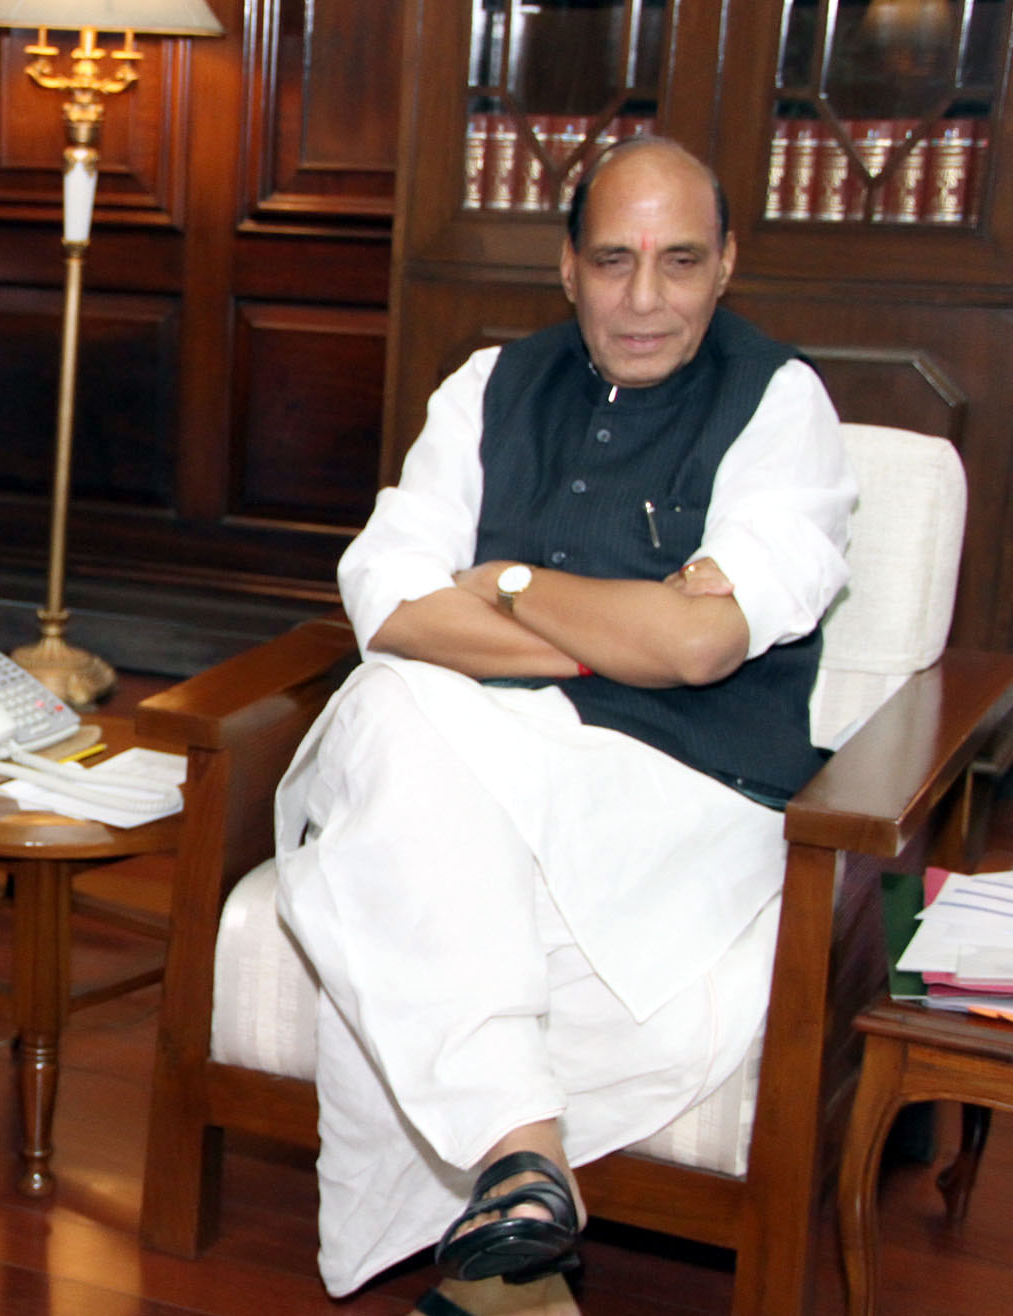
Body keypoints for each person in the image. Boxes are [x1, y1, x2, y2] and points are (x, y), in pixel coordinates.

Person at [269, 138, 855, 1316]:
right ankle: (519, 1165)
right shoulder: (487, 382)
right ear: (566, 267)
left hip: (678, 784)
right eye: (614, 261)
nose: (645, 299)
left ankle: (512, 1240)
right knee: (393, 705)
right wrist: (621, 629)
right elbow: (383, 595)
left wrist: (505, 584)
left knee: (391, 792)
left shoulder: (781, 404)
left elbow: (701, 649)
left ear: (728, 262)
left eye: (680, 262)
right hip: (472, 755)